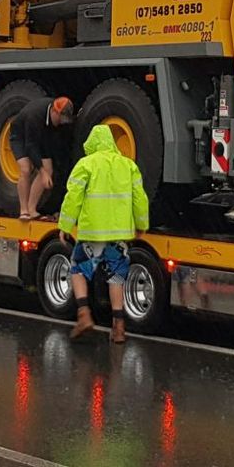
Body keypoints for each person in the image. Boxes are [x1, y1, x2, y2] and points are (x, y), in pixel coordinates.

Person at [56, 123, 150, 343]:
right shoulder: (128, 166)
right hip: (118, 235)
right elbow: (140, 198)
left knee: (78, 269)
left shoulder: (86, 164)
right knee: (116, 277)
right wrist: (141, 224)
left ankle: (84, 314)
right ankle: (118, 327)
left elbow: (73, 197)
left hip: (92, 234)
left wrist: (65, 225)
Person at [11, 95, 75, 220]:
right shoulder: (34, 116)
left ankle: (31, 208)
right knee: (26, 169)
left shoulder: (54, 123)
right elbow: (30, 146)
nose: (60, 123)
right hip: (21, 137)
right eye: (60, 119)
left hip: (41, 137)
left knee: (49, 170)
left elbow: (47, 144)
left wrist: (46, 171)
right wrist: (41, 171)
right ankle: (23, 210)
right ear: (54, 111)